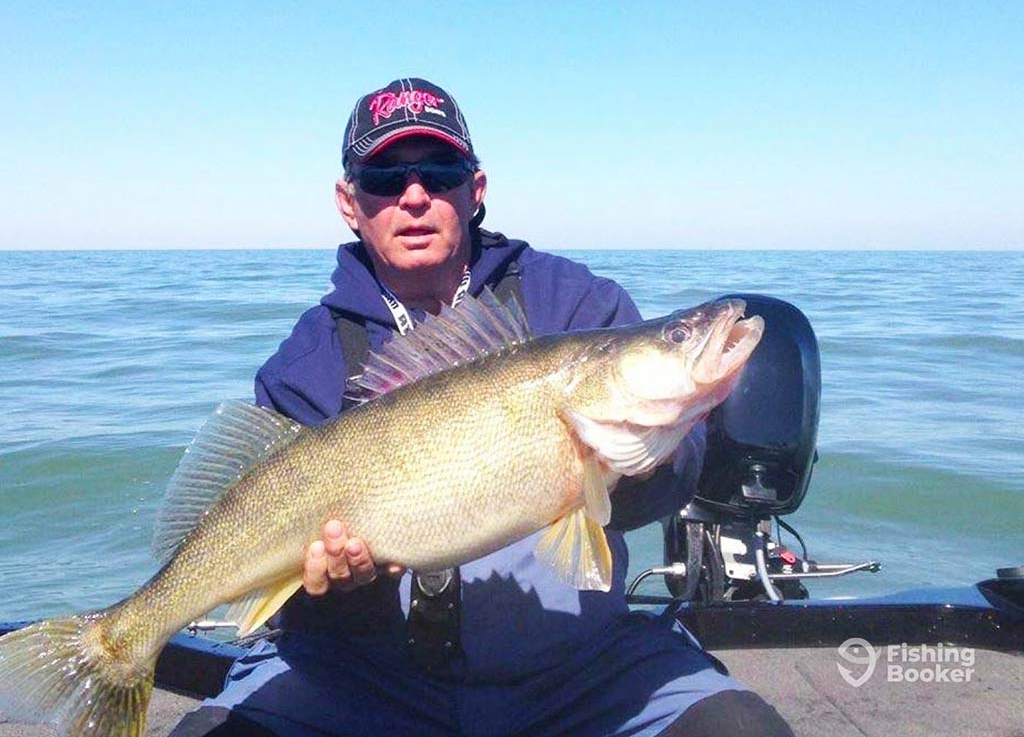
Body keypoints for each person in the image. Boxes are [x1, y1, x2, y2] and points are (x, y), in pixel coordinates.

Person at [171, 78, 793, 736]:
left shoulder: (576, 304)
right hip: (360, 677)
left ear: (477, 189)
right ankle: (115, 647)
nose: (414, 196)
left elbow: (671, 478)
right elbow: (300, 608)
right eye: (384, 176)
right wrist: (335, 592)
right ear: (348, 201)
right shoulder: (306, 363)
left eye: (440, 172)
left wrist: (637, 463)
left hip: (576, 668)